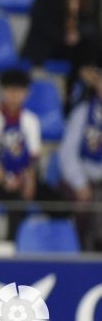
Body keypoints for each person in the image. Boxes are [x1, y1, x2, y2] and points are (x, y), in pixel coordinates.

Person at [0, 69, 61, 241]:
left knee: (59, 202)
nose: (14, 95)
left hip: (24, 178)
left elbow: (33, 157)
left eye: (19, 91)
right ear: (3, 91)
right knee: (16, 201)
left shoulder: (31, 120)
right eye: (10, 90)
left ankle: (54, 246)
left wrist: (30, 181)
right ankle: (13, 251)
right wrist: (5, 179)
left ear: (26, 93)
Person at [60, 72, 102, 251]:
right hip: (85, 179)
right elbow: (67, 153)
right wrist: (80, 183)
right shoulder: (83, 113)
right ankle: (86, 258)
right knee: (85, 207)